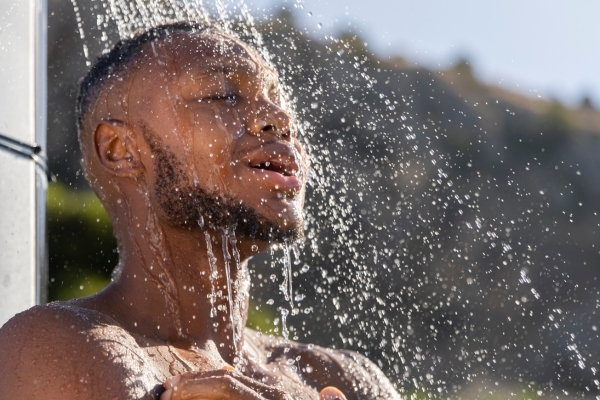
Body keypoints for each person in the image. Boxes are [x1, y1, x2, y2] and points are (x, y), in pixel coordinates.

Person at [0, 22, 400, 400]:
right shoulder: (60, 346)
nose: (280, 120)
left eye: (279, 102)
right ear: (120, 151)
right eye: (222, 95)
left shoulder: (341, 375)